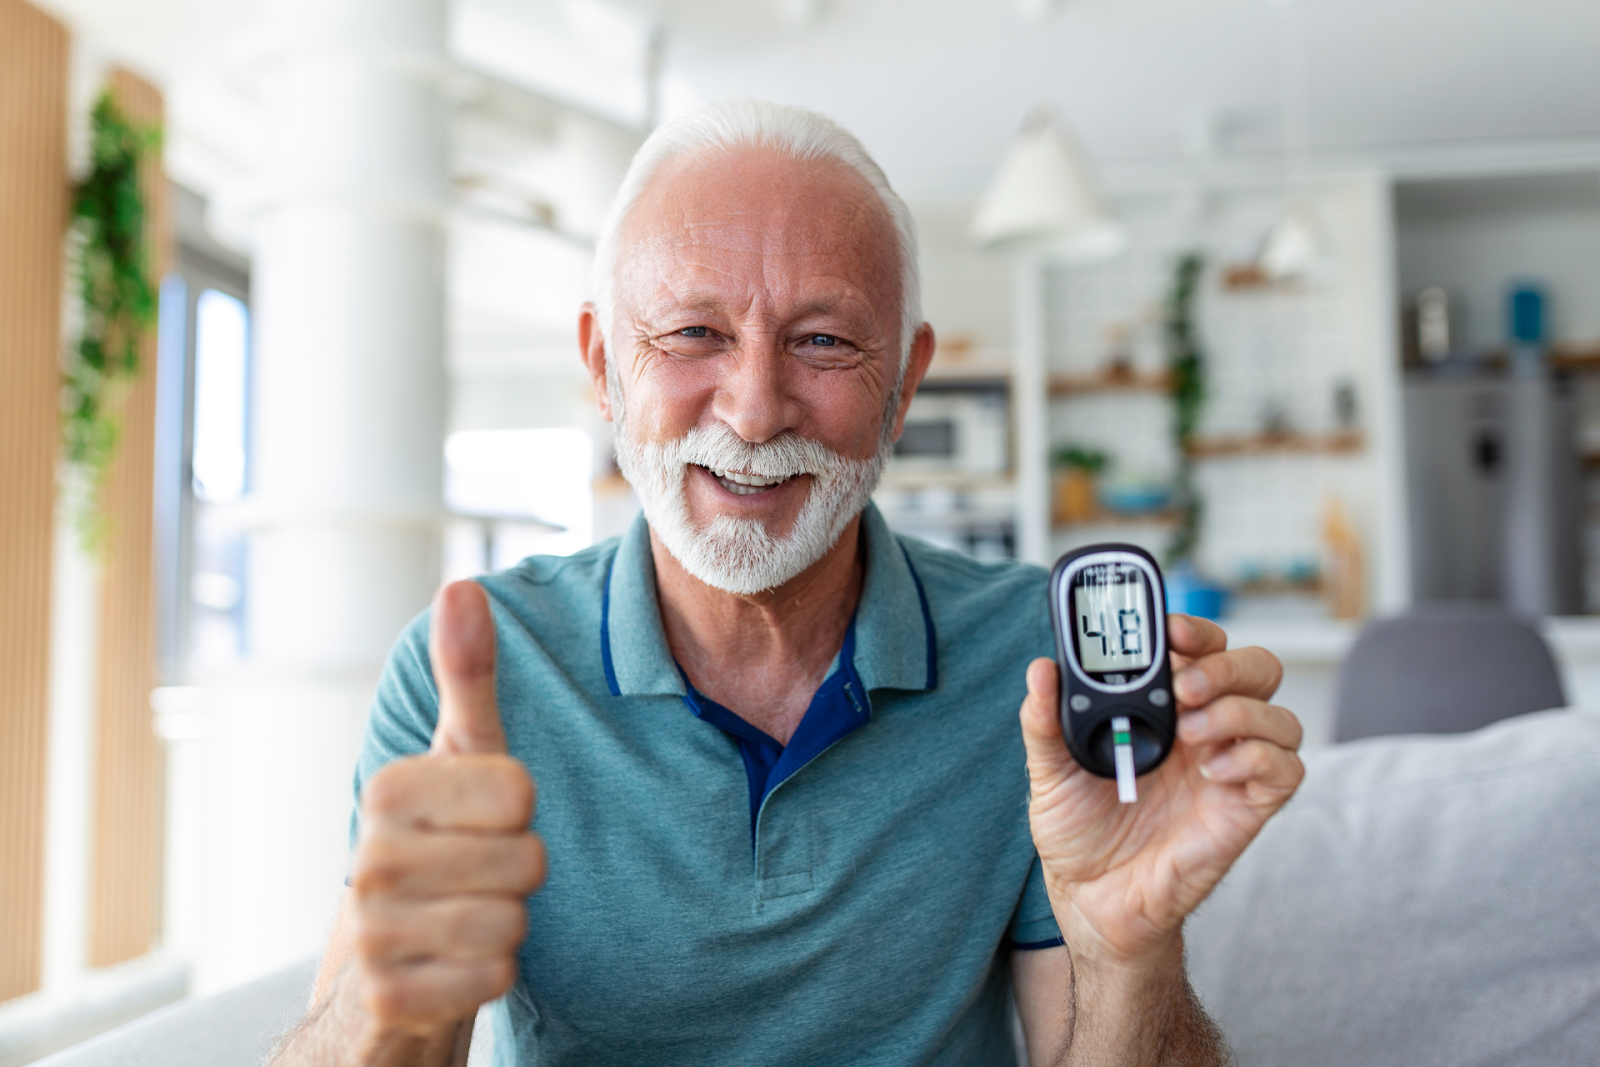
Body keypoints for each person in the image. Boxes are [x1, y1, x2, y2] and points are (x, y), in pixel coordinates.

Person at [269, 100, 1303, 1067]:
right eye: (691, 332)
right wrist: (391, 994)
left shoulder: (1033, 665)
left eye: (823, 341)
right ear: (601, 363)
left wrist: (1129, 950)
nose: (756, 410)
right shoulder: (475, 676)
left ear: (902, 385)